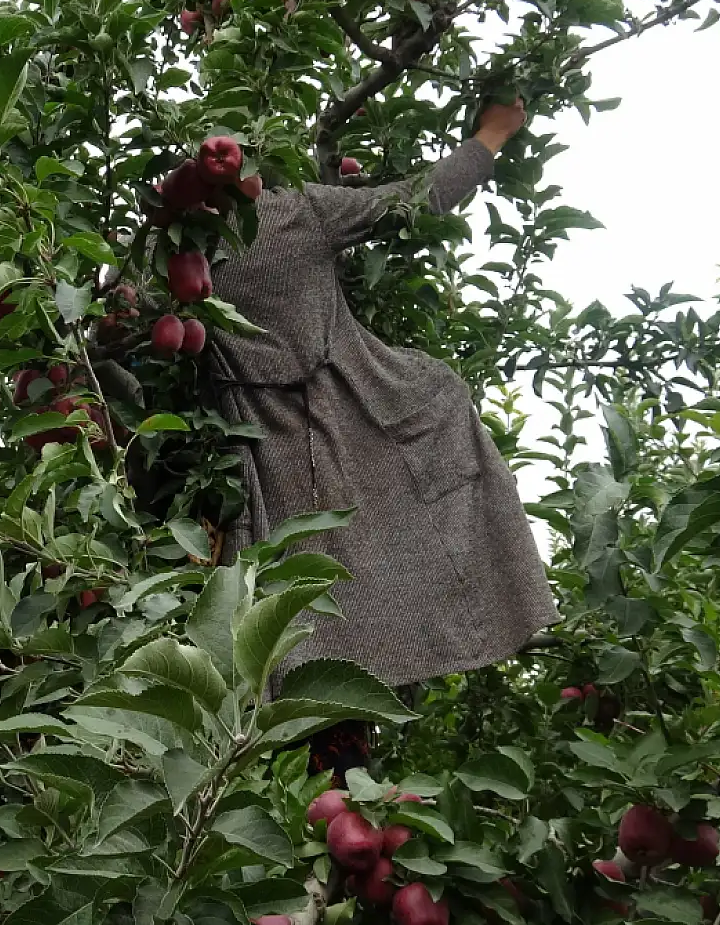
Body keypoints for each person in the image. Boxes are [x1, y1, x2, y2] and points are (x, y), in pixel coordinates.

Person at [206, 100, 556, 780]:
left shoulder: (178, 251)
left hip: (263, 467)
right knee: (363, 618)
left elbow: (114, 331)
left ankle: (322, 804)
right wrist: (491, 136)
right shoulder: (298, 208)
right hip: (355, 431)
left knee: (301, 640)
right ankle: (345, 804)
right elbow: (415, 199)